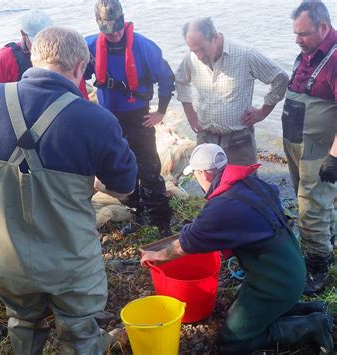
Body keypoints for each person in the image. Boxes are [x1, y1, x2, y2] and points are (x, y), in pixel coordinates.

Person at [0, 26, 137, 353]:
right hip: (71, 262)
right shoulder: (96, 120)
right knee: (81, 333)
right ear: (81, 67)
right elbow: (124, 186)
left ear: (33, 58)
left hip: (9, 259)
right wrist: (91, 182)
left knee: (22, 322)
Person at [140, 144, 333, 355]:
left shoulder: (221, 207)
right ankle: (313, 308)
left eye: (194, 174)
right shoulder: (250, 183)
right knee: (239, 312)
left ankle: (312, 325)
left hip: (276, 282)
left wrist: (157, 256)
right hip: (291, 265)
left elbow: (184, 246)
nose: (196, 179)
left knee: (231, 343)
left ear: (203, 173)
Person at [84, 0, 175, 237]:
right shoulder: (90, 45)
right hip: (108, 118)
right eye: (108, 29)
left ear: (124, 20)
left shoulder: (145, 47)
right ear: (98, 24)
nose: (114, 34)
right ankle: (138, 211)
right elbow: (75, 74)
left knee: (149, 167)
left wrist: (161, 111)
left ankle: (162, 220)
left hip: (138, 116)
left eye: (117, 28)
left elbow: (167, 78)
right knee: (118, 167)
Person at [176, 17, 288, 166]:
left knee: (245, 185)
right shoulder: (191, 58)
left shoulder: (245, 54)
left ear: (215, 37)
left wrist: (263, 112)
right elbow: (180, 81)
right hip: (206, 138)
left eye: (202, 48)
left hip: (238, 140)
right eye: (193, 50)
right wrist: (191, 115)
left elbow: (280, 78)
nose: (199, 56)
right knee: (211, 187)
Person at [282, 1, 336, 295]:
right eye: (295, 33)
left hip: (320, 152)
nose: (297, 40)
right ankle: (328, 239)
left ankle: (318, 266)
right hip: (297, 145)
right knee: (316, 202)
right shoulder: (307, 53)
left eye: (303, 33)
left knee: (310, 207)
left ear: (323, 27)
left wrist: (334, 157)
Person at [0, 10, 53, 85]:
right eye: (37, 42)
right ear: (23, 35)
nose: (43, 47)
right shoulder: (4, 59)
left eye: (48, 40)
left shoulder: (61, 53)